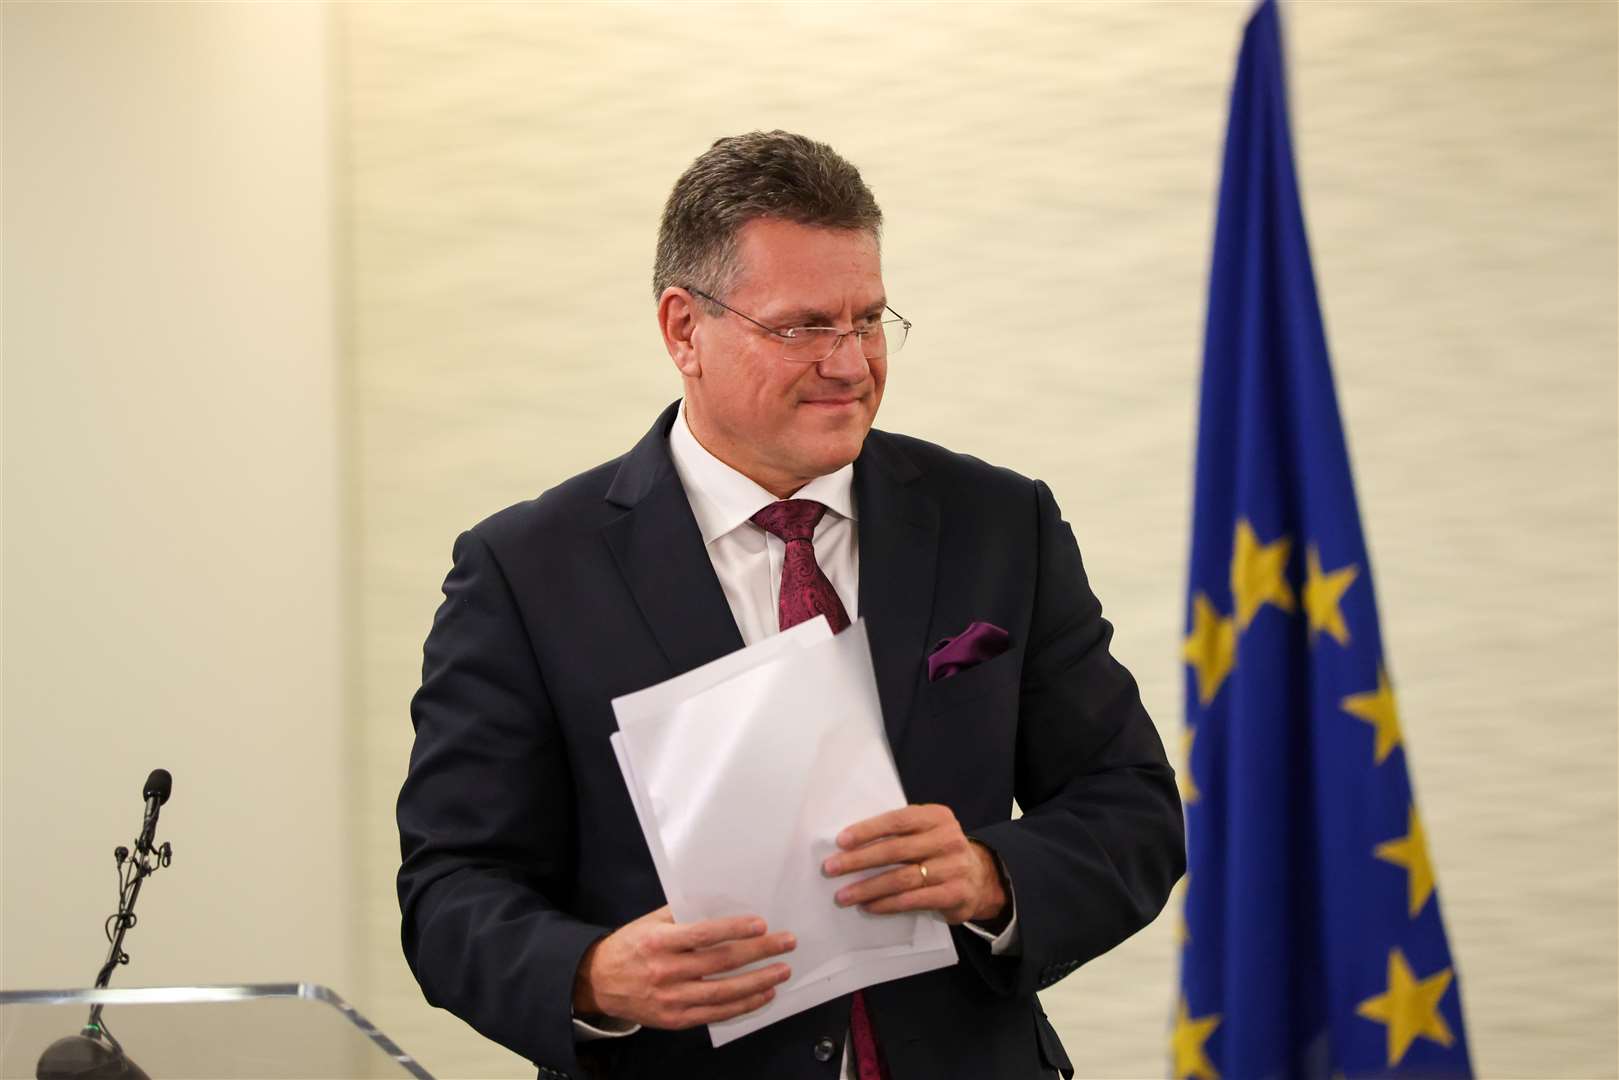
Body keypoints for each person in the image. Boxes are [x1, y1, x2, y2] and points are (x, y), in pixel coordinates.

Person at [397, 130, 1184, 1080]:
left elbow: (1131, 807)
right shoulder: (525, 570)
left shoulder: (998, 522)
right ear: (684, 329)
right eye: (803, 326)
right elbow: (451, 891)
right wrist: (593, 976)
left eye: (868, 319)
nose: (851, 364)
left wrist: (988, 875)